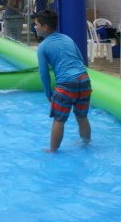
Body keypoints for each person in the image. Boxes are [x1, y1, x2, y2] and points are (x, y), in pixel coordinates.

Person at [34, 9, 92, 152]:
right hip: (84, 79)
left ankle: (53, 151)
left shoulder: (42, 47)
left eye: (36, 24)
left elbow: (44, 74)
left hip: (66, 84)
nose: (35, 27)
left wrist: (48, 93)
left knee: (59, 119)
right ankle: (86, 144)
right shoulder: (67, 38)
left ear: (45, 27)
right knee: (82, 116)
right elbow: (80, 59)